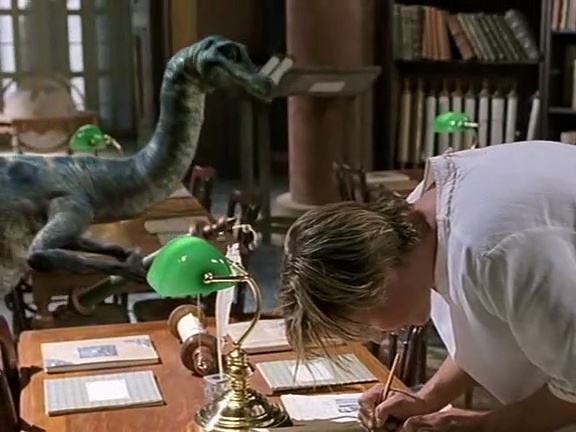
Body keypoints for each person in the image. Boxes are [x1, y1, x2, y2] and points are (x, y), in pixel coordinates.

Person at [278, 141, 576, 432]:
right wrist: (426, 399)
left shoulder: (492, 251)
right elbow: (484, 330)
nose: (380, 336)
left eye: (367, 323)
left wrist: (483, 424)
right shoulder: (418, 225)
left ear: (380, 279)